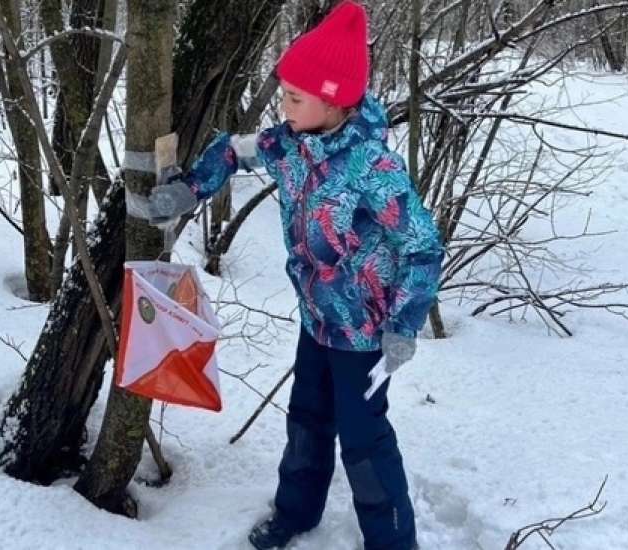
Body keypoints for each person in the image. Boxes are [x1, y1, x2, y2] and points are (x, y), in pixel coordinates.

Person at [151, 2, 443, 548]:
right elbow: (235, 152)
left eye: (294, 96)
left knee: (363, 438)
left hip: (364, 335)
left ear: (333, 101)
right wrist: (192, 188)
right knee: (307, 417)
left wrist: (403, 325)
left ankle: (394, 540)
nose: (282, 105)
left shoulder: (373, 169)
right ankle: (295, 513)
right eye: (284, 92)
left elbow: (424, 248)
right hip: (316, 320)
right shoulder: (289, 144)